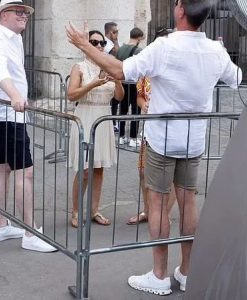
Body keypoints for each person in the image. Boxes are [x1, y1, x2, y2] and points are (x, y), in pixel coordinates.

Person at [66, 0, 242, 296]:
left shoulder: (165, 46)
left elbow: (121, 69)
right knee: (188, 203)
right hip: (194, 139)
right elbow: (237, 78)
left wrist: (84, 44)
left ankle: (160, 275)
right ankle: (187, 272)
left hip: (162, 139)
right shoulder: (215, 50)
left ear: (180, 12)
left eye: (176, 3)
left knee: (159, 204)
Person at [0, 0, 56, 253]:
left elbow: (12, 73)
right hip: (7, 115)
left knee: (3, 169)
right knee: (25, 172)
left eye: (25, 12)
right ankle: (30, 232)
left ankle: (0, 226)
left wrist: (20, 97)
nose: (23, 15)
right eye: (17, 11)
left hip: (8, 114)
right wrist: (15, 97)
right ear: (3, 15)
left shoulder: (14, 39)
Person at [67, 30, 124, 228]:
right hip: (86, 117)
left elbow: (119, 97)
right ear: (87, 45)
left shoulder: (109, 65)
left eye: (102, 43)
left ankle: (94, 210)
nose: (99, 46)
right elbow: (72, 95)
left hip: (104, 118)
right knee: (84, 169)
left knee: (99, 169)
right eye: (94, 42)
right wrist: (92, 84)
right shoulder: (79, 67)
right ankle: (75, 211)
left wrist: (117, 79)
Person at [127, 26, 176, 226]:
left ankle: (163, 212)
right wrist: (143, 105)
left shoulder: (177, 70)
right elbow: (139, 96)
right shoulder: (147, 69)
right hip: (149, 128)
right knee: (143, 171)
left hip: (173, 129)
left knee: (171, 175)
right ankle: (148, 210)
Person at [116, 27, 145, 147]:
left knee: (122, 110)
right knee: (135, 111)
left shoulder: (120, 49)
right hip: (134, 84)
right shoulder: (139, 50)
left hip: (122, 82)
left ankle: (121, 136)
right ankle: (133, 138)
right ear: (139, 38)